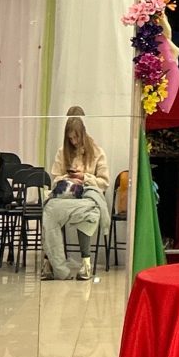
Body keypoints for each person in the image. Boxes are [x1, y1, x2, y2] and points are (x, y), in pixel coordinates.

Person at [42, 106, 111, 281]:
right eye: (70, 138)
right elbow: (55, 178)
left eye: (76, 137)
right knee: (49, 211)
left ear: (83, 134)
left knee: (89, 213)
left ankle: (86, 263)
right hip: (66, 194)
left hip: (87, 195)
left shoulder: (97, 152)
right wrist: (69, 178)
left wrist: (85, 177)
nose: (73, 141)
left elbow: (104, 182)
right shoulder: (62, 152)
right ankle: (53, 263)